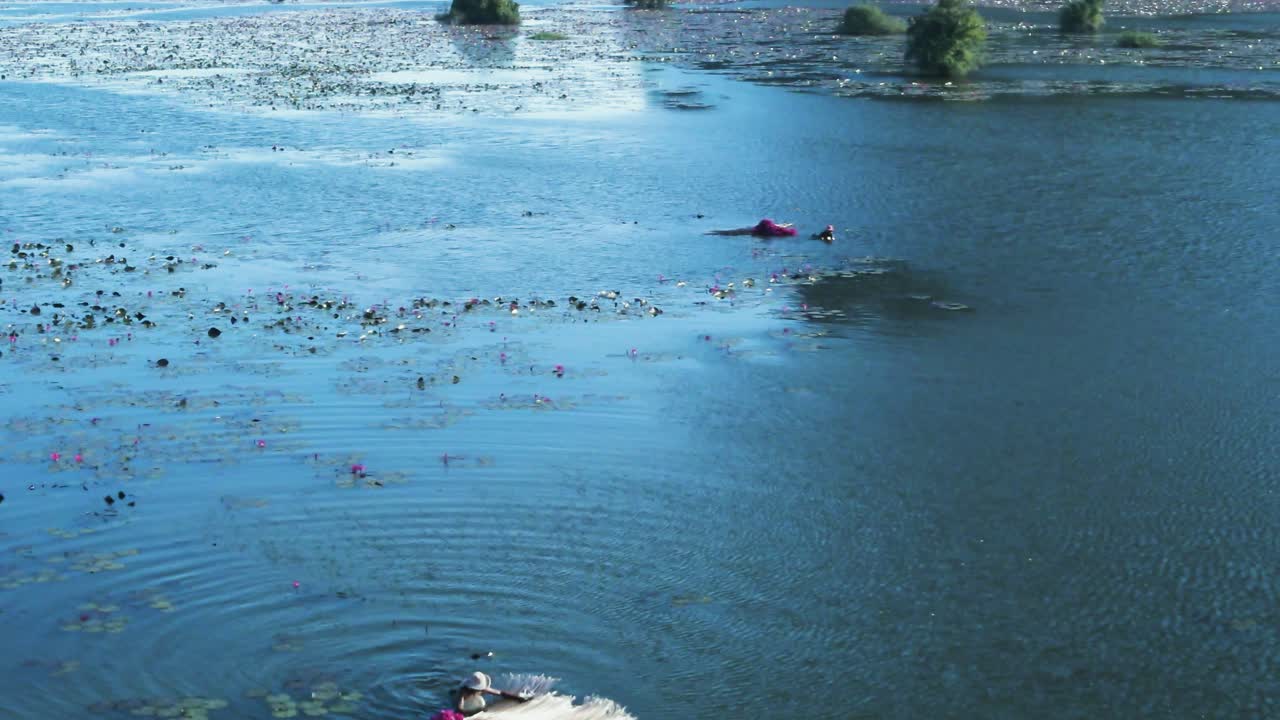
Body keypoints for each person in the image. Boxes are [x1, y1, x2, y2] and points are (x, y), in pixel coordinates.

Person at [452, 671, 529, 716]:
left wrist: (518, 698)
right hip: (461, 700)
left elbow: (501, 693)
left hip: (474, 701)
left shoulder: (483, 689)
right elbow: (460, 710)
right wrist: (478, 710)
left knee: (481, 702)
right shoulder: (464, 692)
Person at [706, 218, 797, 237]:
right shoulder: (769, 230)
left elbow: (777, 226)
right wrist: (787, 225)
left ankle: (711, 232)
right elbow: (777, 226)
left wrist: (787, 225)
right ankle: (711, 232)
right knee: (725, 233)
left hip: (744, 231)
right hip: (744, 232)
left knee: (724, 232)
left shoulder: (761, 228)